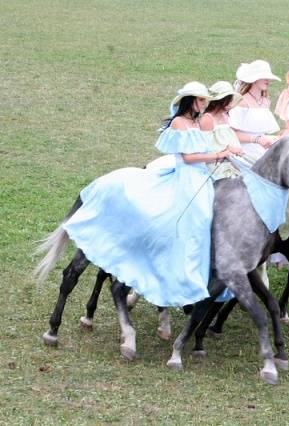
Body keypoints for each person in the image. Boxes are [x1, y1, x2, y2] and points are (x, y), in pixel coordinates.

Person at [63, 82, 231, 307]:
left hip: (203, 177)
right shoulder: (180, 122)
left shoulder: (199, 123)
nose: (204, 105)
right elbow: (188, 158)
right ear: (190, 101)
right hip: (186, 177)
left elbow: (203, 150)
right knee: (193, 218)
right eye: (201, 100)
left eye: (205, 101)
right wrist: (218, 155)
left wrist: (223, 153)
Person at [229, 60, 281, 160]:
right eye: (264, 77)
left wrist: (273, 138)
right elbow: (231, 134)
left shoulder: (266, 102)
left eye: (268, 78)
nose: (268, 80)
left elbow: (260, 133)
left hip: (262, 152)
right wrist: (256, 139)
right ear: (254, 79)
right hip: (243, 154)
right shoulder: (242, 102)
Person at [200, 81, 248, 179]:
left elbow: (229, 140)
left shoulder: (225, 117)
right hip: (215, 163)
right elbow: (206, 148)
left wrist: (235, 150)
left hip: (231, 160)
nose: (230, 104)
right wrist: (227, 151)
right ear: (219, 101)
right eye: (227, 100)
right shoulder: (207, 119)